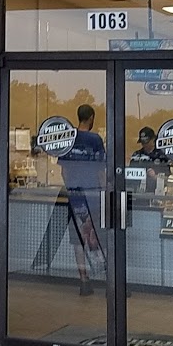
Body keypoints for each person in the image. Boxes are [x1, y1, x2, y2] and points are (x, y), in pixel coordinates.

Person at [58, 104, 107, 295]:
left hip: (75, 196)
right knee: (97, 235)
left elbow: (63, 171)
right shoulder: (95, 140)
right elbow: (101, 171)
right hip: (92, 195)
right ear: (91, 117)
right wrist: (104, 190)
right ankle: (107, 279)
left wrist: (71, 187)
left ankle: (84, 281)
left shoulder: (68, 139)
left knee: (78, 239)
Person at [129, 126, 167, 193]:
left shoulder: (162, 155)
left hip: (157, 192)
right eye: (142, 143)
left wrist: (156, 177)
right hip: (138, 192)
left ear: (153, 139)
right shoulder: (137, 155)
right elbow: (130, 174)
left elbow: (168, 177)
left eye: (146, 142)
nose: (144, 145)